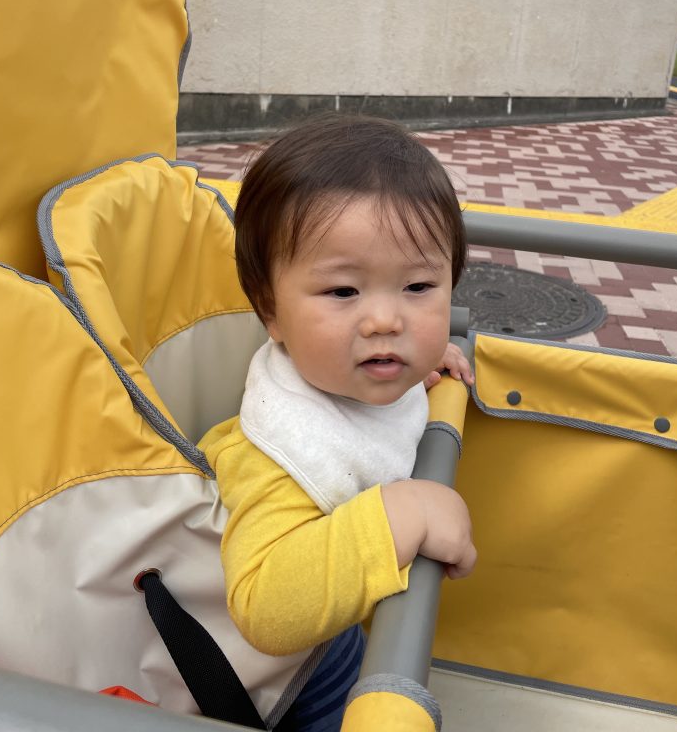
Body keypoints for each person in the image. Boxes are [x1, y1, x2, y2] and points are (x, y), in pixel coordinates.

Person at [198, 113, 476, 731]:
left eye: (418, 286)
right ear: (271, 312)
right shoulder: (280, 452)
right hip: (283, 689)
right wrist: (403, 514)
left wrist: (414, 370)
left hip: (337, 638)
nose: (386, 321)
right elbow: (264, 607)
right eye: (344, 292)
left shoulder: (348, 374)